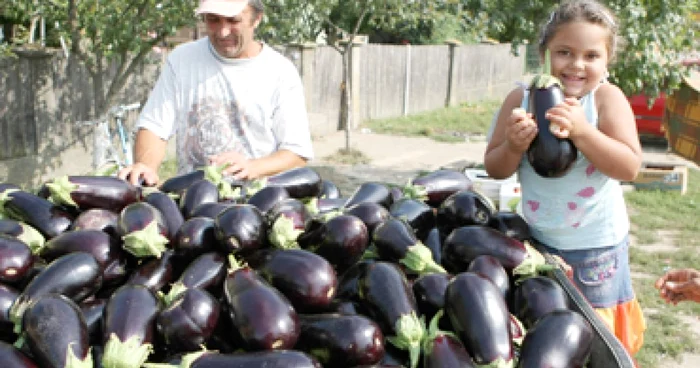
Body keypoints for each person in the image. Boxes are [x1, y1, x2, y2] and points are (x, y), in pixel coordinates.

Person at [483, 0, 646, 355]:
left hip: (596, 250)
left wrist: (583, 132)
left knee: (597, 340)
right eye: (564, 52)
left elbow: (629, 166)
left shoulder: (605, 99)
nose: (576, 64)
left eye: (591, 55)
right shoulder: (521, 98)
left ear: (606, 62)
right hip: (538, 243)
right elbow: (495, 167)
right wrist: (512, 146)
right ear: (543, 54)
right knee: (554, 334)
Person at [118, 0, 314, 186]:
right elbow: (154, 128)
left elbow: (296, 153)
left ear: (257, 19)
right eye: (213, 19)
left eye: (233, 20)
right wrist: (146, 167)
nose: (223, 32)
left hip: (257, 205)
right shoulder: (182, 60)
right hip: (192, 203)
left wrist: (252, 167)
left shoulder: (280, 71)